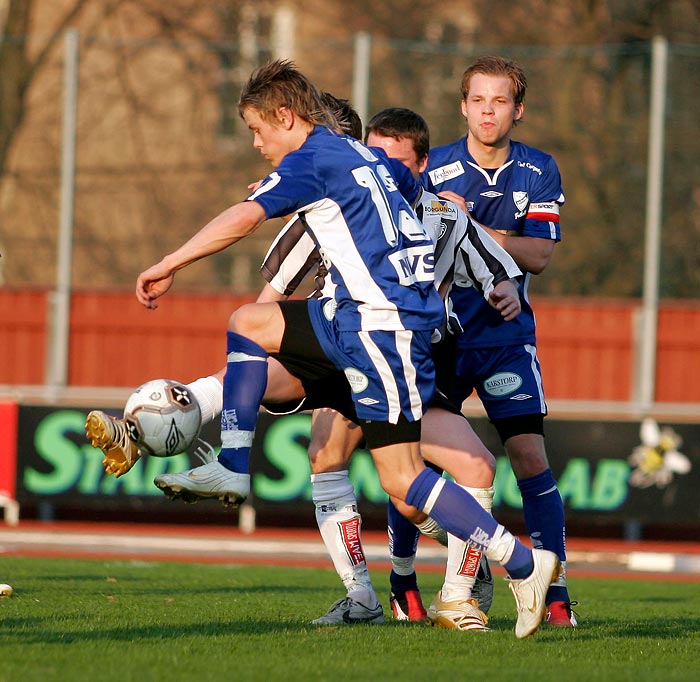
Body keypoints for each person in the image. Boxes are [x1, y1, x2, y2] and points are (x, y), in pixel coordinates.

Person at [90, 59, 560, 638]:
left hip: (381, 330)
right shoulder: (363, 158)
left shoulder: (316, 159)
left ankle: (518, 564)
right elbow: (413, 194)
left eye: (258, 130)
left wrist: (168, 263)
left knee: (404, 481)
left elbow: (244, 219)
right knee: (251, 324)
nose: (257, 143)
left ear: (286, 116)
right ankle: (228, 463)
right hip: (357, 324)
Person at [420, 55, 576, 627]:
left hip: (505, 337)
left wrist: (467, 224)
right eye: (478, 100)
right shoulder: (430, 169)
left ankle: (554, 593)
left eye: (500, 102)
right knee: (415, 466)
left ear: (518, 110)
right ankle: (408, 583)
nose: (488, 111)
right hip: (438, 338)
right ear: (463, 107)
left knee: (530, 458)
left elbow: (538, 254)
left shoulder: (539, 171)